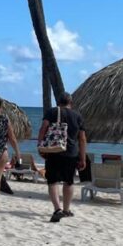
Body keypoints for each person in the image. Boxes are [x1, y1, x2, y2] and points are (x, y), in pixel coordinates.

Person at [38, 92, 87, 223]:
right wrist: (82, 158)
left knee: (52, 181)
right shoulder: (78, 116)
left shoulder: (52, 112)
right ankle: (66, 209)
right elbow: (82, 139)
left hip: (53, 150)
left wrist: (40, 145)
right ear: (71, 103)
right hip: (71, 153)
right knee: (69, 181)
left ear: (58, 102)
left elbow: (43, 128)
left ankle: (57, 209)